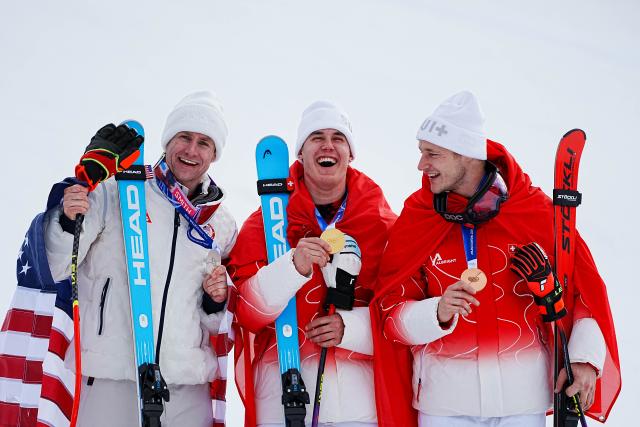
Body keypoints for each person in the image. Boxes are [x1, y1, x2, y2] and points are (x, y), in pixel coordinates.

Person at [371, 91, 621, 427]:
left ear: (468, 155)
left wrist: (585, 360)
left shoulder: (534, 213)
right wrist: (436, 312)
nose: (421, 165)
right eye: (421, 153)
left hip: (522, 403)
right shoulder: (419, 218)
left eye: (433, 154)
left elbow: (585, 296)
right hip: (443, 405)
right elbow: (389, 316)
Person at [43, 91, 237, 426]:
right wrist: (66, 217)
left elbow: (216, 322)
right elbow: (57, 264)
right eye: (184, 137)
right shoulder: (116, 190)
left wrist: (215, 300)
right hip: (111, 375)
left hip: (186, 386)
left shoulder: (221, 223)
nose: (192, 150)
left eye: (204, 142)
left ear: (214, 154)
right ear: (167, 141)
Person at [228, 101, 397, 426]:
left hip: (358, 405)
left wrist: (350, 329)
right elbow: (245, 313)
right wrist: (294, 266)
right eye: (316, 136)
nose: (328, 144)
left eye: (338, 137)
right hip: (280, 399)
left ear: (351, 154)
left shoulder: (381, 224)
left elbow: (397, 316)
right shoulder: (263, 223)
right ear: (301, 154)